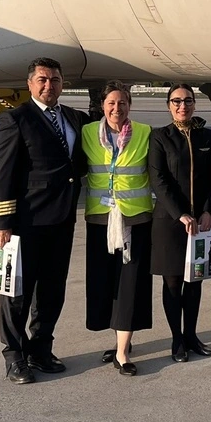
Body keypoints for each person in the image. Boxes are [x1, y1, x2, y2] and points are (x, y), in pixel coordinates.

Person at [0, 57, 89, 384]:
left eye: (55, 80)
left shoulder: (74, 117)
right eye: (43, 80)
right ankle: (14, 355)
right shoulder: (14, 119)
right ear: (30, 84)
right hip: (25, 222)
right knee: (16, 293)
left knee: (52, 289)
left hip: (62, 220)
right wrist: (1, 222)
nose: (50, 86)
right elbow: (2, 172)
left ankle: (41, 349)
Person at [82, 81, 153, 376]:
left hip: (135, 219)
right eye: (111, 103)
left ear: (130, 105)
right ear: (102, 106)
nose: (116, 108)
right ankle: (120, 338)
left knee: (130, 284)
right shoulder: (88, 132)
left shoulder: (145, 132)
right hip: (100, 219)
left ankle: (122, 352)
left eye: (122, 103)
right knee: (107, 283)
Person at [148, 84, 211, 363]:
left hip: (202, 222)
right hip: (170, 222)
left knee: (195, 280)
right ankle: (176, 339)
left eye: (188, 101)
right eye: (176, 101)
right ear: (169, 105)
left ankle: (191, 335)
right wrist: (180, 213)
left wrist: (209, 211)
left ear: (194, 104)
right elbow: (159, 180)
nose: (183, 106)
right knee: (173, 282)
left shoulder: (207, 136)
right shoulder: (160, 137)